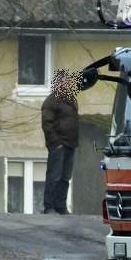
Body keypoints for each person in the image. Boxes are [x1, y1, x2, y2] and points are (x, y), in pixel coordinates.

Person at [41, 69, 80, 215]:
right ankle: (49, 206)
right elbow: (47, 124)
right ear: (57, 83)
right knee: (54, 176)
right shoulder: (51, 101)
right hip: (58, 144)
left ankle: (61, 205)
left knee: (65, 177)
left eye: (68, 82)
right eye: (63, 81)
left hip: (71, 143)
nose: (66, 84)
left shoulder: (71, 99)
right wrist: (55, 143)